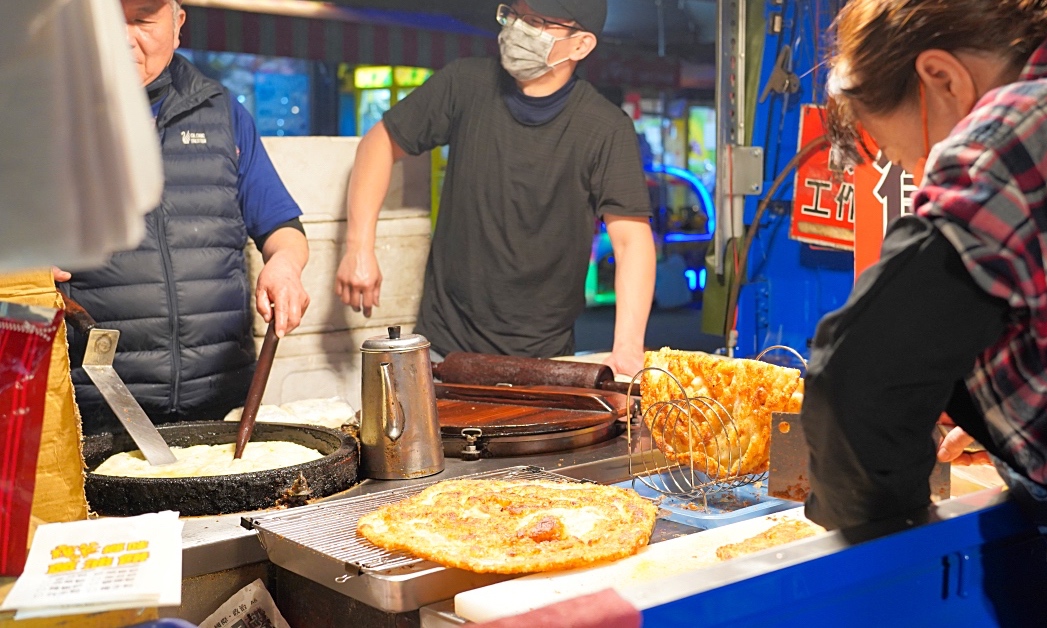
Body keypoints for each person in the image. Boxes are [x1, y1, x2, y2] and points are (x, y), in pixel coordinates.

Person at [801, 0, 1047, 625]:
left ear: (943, 79)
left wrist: (886, 545)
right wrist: (1016, 422)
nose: (914, 175)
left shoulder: (1020, 129)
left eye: (908, 156)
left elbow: (854, 381)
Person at [335, 0, 655, 376]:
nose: (520, 29)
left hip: (545, 356)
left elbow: (632, 240)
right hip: (445, 347)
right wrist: (358, 247)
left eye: (538, 22)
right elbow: (378, 144)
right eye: (515, 15)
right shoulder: (464, 83)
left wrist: (628, 347)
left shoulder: (604, 127)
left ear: (581, 45)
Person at [59, 0, 310, 432]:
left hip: (223, 401)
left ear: (177, 25)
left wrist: (285, 266)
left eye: (142, 20)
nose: (123, 36)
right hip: (96, 408)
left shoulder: (220, 111)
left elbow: (281, 226)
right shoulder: (42, 117)